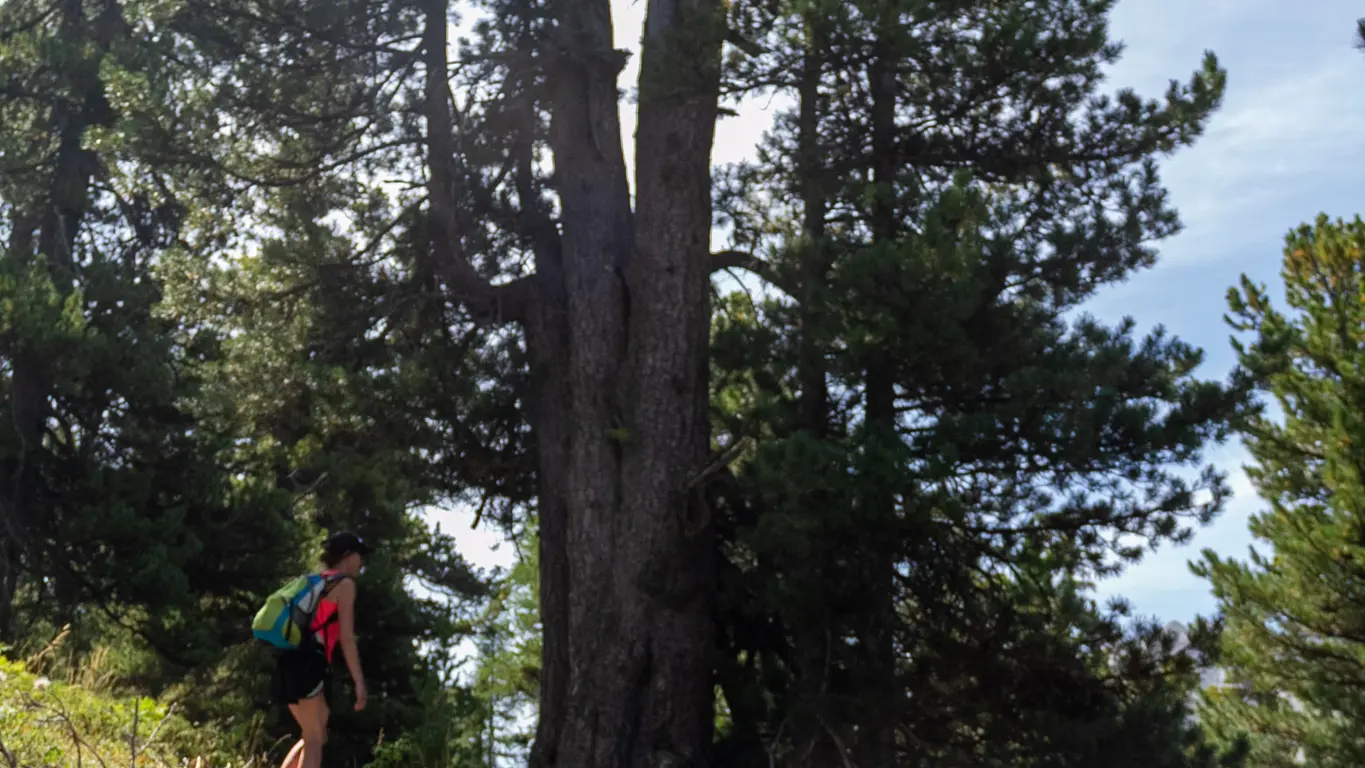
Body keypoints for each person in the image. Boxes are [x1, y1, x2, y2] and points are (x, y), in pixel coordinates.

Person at [275, 531, 370, 768]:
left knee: (314, 735)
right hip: (311, 662)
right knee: (315, 739)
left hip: (288, 660)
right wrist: (359, 682)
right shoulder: (345, 584)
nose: (362, 562)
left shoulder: (313, 581)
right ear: (348, 556)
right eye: (359, 555)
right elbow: (346, 638)